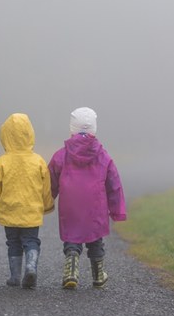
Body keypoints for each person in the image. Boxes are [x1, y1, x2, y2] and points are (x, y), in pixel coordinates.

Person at [48, 107, 127, 289]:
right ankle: (98, 274)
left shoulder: (62, 155)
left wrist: (47, 199)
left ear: (72, 129)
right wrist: (117, 211)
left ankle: (71, 269)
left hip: (71, 204)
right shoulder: (103, 156)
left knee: (72, 237)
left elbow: (50, 178)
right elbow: (114, 184)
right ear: (94, 130)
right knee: (95, 237)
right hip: (95, 205)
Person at [0, 113, 55, 289]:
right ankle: (31, 268)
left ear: (6, 136)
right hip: (31, 212)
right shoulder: (38, 161)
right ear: (30, 134)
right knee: (31, 241)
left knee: (13, 243)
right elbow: (46, 187)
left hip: (10, 211)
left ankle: (15, 276)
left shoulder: (2, 163)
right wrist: (47, 205)